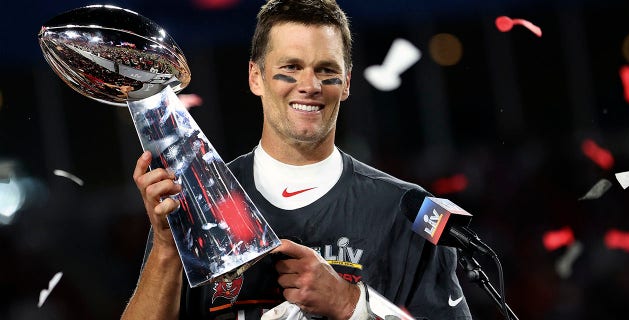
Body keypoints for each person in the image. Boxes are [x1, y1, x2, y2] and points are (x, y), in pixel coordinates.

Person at [121, 0, 472, 319]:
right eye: (291, 66)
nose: (310, 85)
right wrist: (167, 248)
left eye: (325, 69)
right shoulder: (197, 200)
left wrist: (351, 304)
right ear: (255, 77)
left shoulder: (406, 211)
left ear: (346, 82)